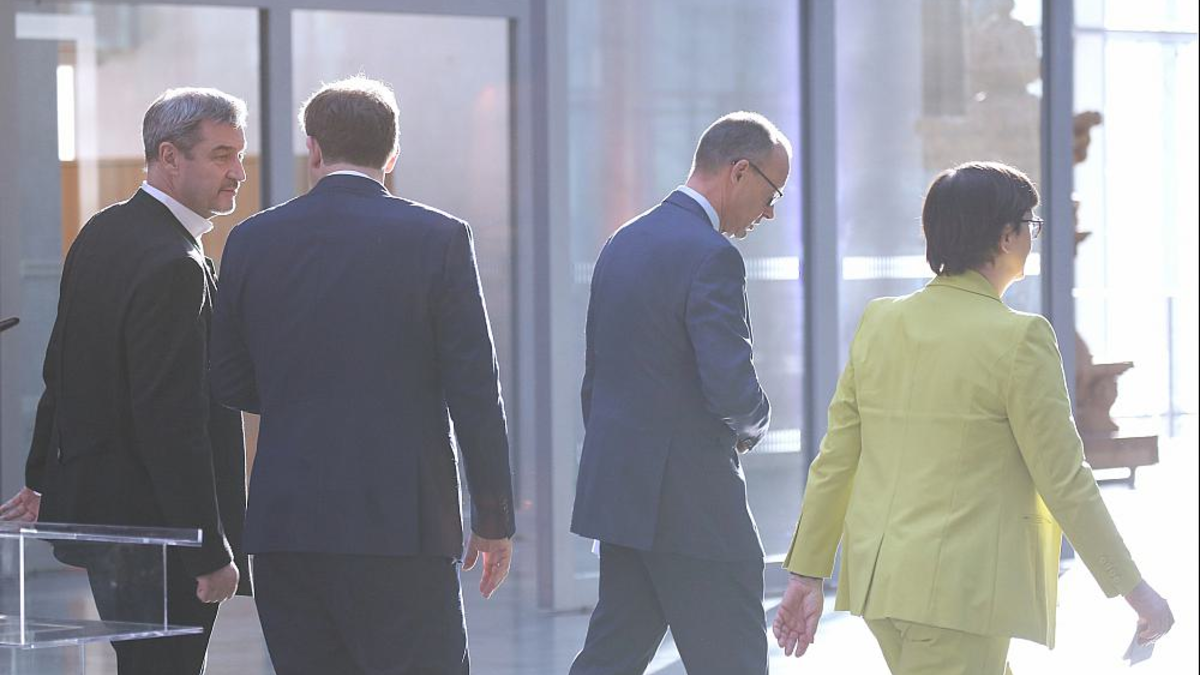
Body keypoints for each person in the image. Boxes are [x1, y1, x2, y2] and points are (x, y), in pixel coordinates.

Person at [773, 161, 1175, 673]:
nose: (1033, 237)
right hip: (959, 596)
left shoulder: (881, 322)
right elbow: (1065, 479)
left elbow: (836, 460)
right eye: (1029, 225)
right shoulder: (1020, 339)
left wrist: (806, 572)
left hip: (882, 584)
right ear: (1005, 237)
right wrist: (1134, 589)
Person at [209, 76, 515, 675]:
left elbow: (226, 379)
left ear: (314, 149)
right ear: (392, 153)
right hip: (405, 524)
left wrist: (295, 395)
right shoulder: (440, 238)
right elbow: (475, 390)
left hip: (288, 524)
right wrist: (494, 518)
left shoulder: (249, 239)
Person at [0, 87, 251, 674]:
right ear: (169, 156)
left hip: (113, 525)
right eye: (221, 155)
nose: (238, 171)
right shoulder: (176, 265)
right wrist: (211, 553)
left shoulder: (102, 230)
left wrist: (45, 480)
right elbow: (173, 421)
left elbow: (60, 369)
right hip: (164, 539)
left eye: (239, 154)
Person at [569, 112, 788, 675]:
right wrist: (756, 425)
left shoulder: (623, 240)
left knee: (613, 654)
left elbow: (597, 380)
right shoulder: (712, 255)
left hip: (623, 494)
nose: (769, 212)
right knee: (733, 658)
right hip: (692, 503)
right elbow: (731, 386)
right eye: (771, 193)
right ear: (740, 172)